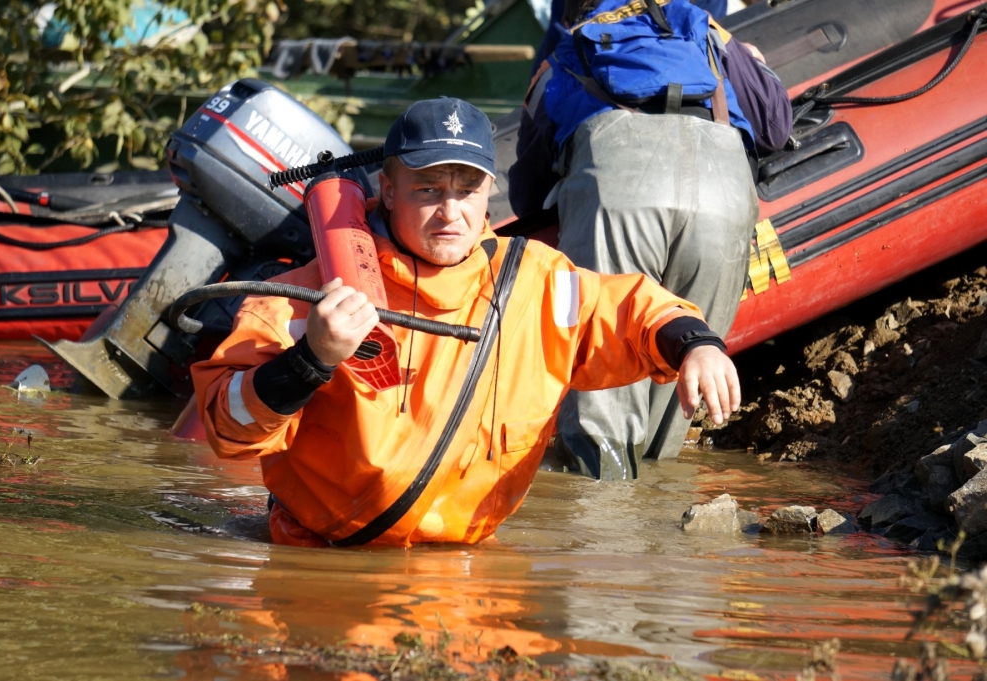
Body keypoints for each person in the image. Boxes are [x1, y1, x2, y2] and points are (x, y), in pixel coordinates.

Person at [192, 97, 741, 548]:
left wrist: (697, 344)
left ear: (488, 195)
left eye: (466, 190)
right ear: (388, 191)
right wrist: (310, 358)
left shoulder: (539, 282)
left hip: (462, 571)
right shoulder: (304, 296)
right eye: (428, 189)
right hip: (317, 563)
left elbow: (631, 309)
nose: (450, 212)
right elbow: (227, 431)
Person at [509, 0, 792, 478]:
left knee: (603, 411)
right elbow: (777, 127)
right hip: (723, 201)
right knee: (683, 372)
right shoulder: (707, 31)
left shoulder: (564, 52)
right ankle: (657, 523)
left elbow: (524, 197)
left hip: (619, 201)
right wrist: (755, 63)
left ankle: (598, 532)